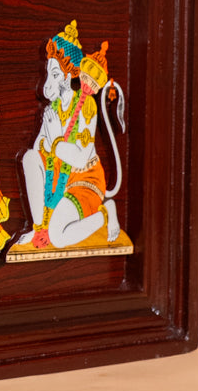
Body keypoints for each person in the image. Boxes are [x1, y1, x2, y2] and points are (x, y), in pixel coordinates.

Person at [17, 21, 121, 253]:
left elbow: (80, 158)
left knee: (58, 237)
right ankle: (37, 228)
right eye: (49, 73)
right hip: (58, 173)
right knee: (30, 158)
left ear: (67, 77)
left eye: (55, 75)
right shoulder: (53, 108)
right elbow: (39, 147)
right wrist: (49, 142)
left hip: (85, 179)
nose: (49, 83)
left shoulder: (86, 107)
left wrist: (55, 141)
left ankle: (104, 214)